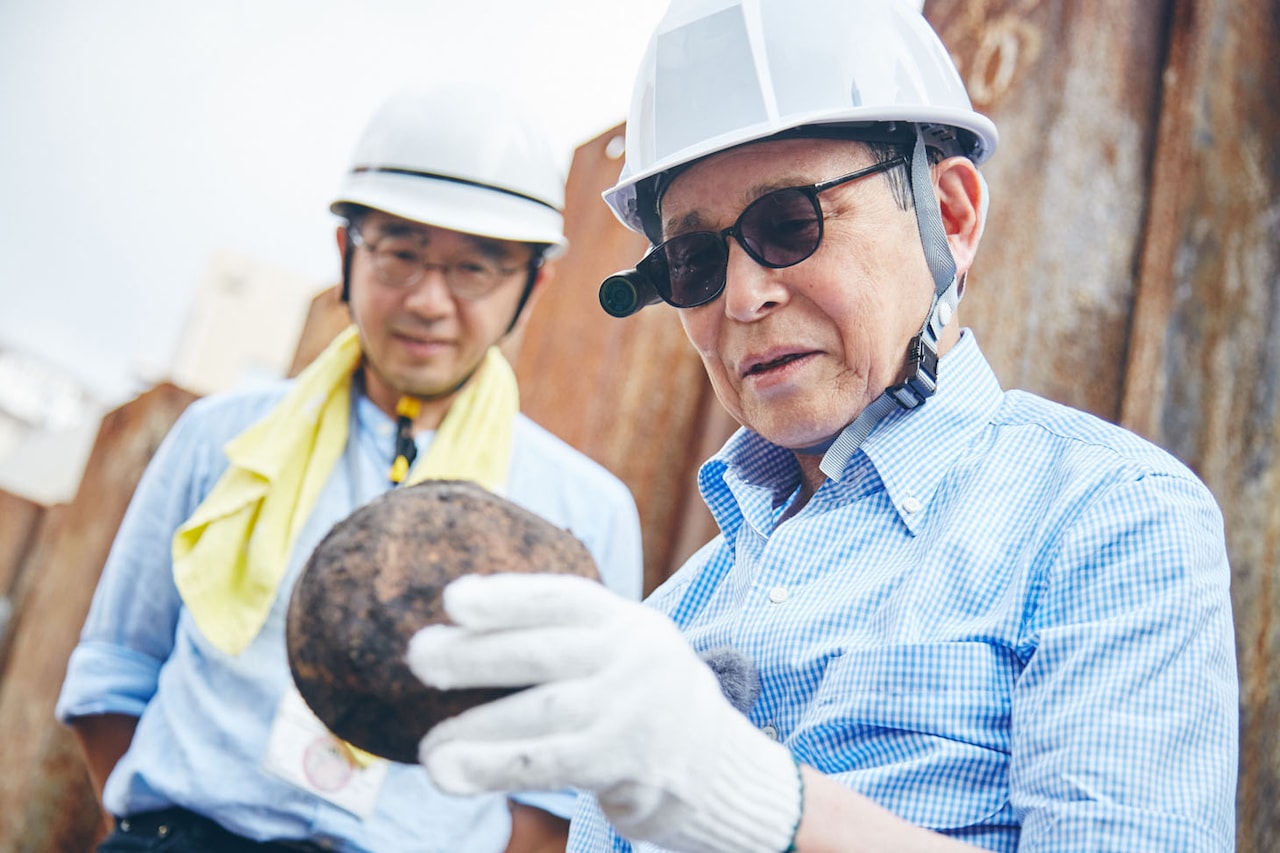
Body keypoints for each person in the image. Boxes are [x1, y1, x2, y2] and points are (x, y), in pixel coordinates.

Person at [400, 1, 1240, 851]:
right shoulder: (672, 613)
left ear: (948, 213)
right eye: (693, 260)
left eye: (789, 224)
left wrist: (763, 802)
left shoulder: (1107, 519)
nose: (742, 297)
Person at [56, 82, 644, 853]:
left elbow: (558, 788)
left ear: (534, 286)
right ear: (346, 252)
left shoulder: (583, 510)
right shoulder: (222, 438)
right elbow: (115, 669)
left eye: (476, 267)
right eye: (400, 253)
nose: (430, 301)